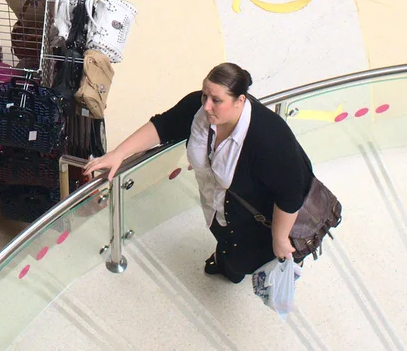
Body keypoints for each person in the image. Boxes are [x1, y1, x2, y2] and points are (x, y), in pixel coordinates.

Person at [85, 63, 315, 283]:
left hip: (256, 221)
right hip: (218, 208)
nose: (206, 105)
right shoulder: (199, 110)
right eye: (205, 95)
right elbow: (164, 126)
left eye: (217, 100)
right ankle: (226, 263)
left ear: (240, 101)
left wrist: (280, 238)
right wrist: (119, 153)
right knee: (227, 246)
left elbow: (290, 192)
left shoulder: (269, 137)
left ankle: (231, 267)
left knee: (244, 261)